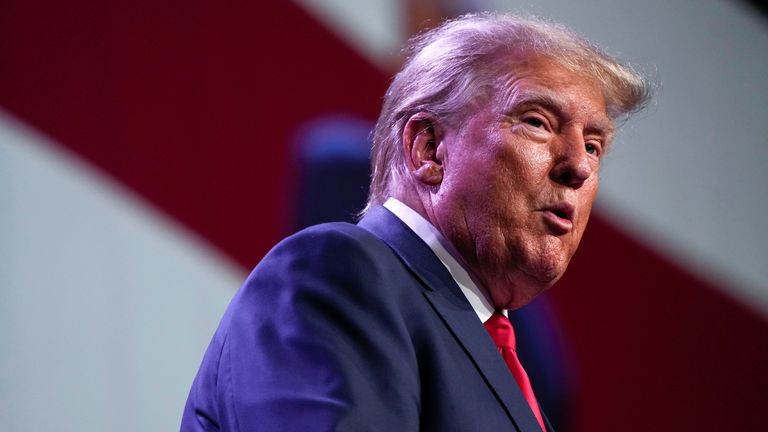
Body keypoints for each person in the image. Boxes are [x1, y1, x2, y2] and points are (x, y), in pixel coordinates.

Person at [181, 12, 650, 432]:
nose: (580, 167)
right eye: (538, 122)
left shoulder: (519, 379)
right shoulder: (339, 274)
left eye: (593, 145)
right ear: (428, 149)